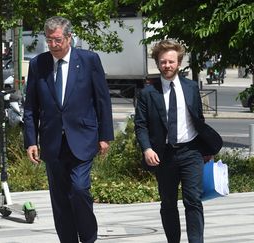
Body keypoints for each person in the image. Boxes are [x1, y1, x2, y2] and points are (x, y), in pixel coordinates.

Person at [23, 16, 114, 243]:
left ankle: (88, 237)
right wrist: (31, 141)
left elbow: (102, 100)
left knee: (80, 189)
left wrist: (105, 136)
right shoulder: (38, 64)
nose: (53, 45)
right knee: (60, 199)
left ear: (69, 37)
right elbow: (31, 107)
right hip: (53, 142)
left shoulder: (89, 60)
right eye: (49, 41)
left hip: (83, 139)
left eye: (57, 40)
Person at [134, 39, 216, 243]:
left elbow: (199, 119)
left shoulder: (190, 87)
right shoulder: (147, 93)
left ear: (179, 63)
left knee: (193, 201)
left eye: (171, 62)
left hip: (191, 151)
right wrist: (147, 149)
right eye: (163, 62)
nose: (167, 66)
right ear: (157, 63)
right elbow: (141, 125)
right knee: (168, 203)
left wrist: (206, 148)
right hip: (164, 155)